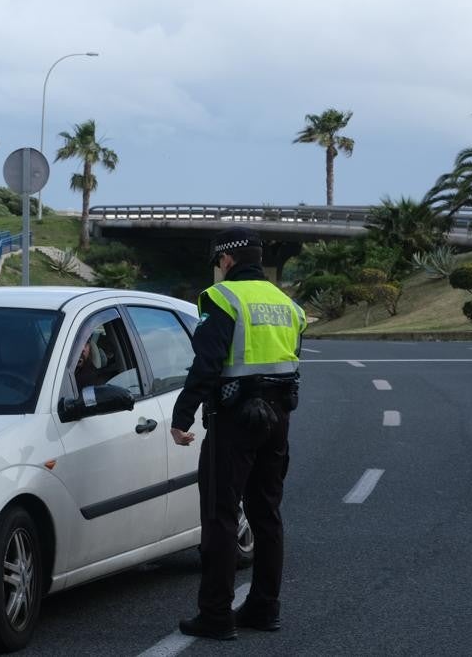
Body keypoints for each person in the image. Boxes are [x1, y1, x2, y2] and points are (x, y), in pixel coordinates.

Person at [169, 226, 305, 641]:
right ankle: (265, 608)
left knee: (220, 515)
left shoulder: (222, 298)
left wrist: (182, 415)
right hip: (278, 418)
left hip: (234, 420)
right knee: (267, 515)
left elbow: (206, 364)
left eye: (218, 262)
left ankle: (215, 614)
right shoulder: (287, 305)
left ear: (226, 260)